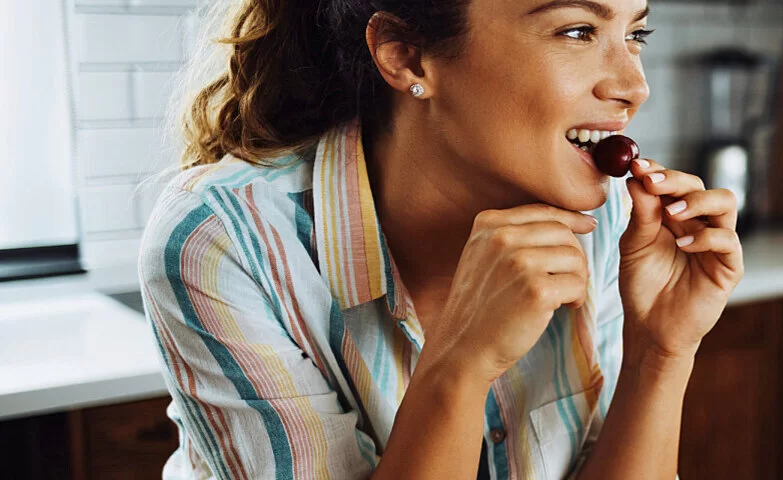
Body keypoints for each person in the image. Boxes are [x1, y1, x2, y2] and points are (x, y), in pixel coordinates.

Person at [138, 0, 743, 478]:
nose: (633, 86)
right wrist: (460, 363)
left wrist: (659, 354)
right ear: (407, 57)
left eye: (635, 34)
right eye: (578, 31)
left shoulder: (604, 221)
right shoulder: (223, 241)